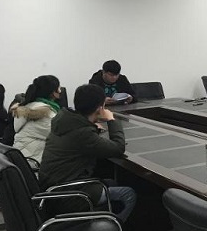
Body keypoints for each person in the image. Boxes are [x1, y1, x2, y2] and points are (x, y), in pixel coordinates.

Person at [39, 84, 136, 223]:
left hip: (53, 188)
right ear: (99, 108)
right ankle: (114, 229)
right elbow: (118, 148)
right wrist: (111, 120)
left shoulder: (64, 120)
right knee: (129, 194)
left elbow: (80, 139)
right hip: (70, 195)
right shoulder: (83, 134)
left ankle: (103, 221)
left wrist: (93, 127)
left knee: (111, 182)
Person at [12, 75, 61, 163]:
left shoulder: (29, 106)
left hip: (24, 158)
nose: (60, 91)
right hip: (34, 163)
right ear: (53, 92)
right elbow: (61, 136)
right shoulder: (45, 113)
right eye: (59, 87)